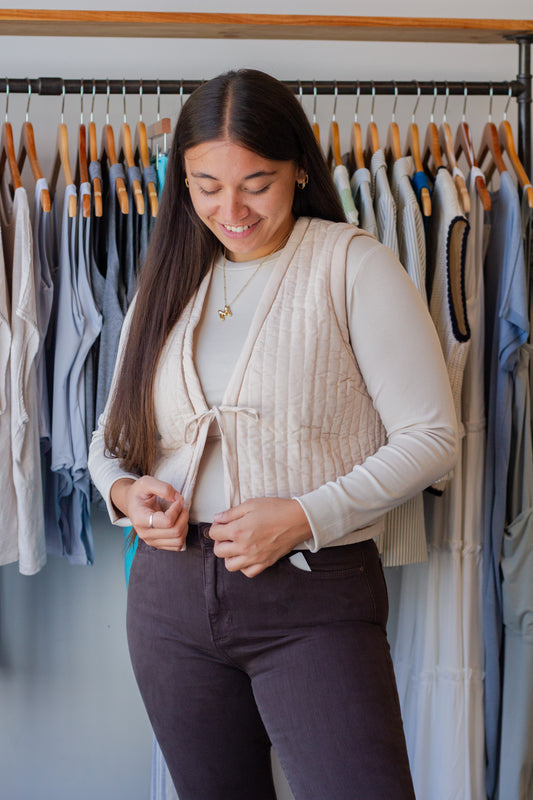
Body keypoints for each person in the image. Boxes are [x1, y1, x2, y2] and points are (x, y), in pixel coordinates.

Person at [88, 69, 457, 800]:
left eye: (256, 183)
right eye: (205, 185)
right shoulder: (163, 280)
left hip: (312, 598)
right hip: (167, 602)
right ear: (180, 183)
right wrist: (128, 494)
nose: (231, 209)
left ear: (297, 168)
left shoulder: (352, 264)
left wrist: (303, 516)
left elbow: (432, 436)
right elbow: (107, 440)